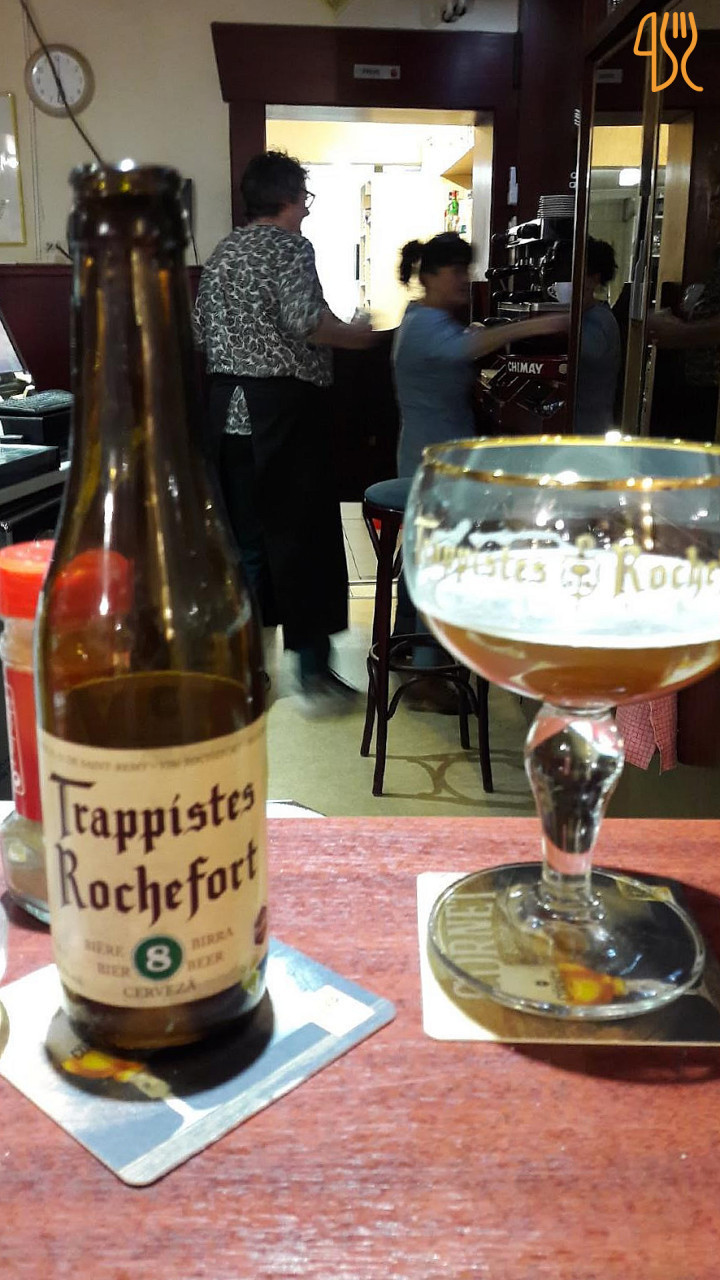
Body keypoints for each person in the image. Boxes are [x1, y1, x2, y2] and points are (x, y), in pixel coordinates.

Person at [193, 151, 375, 716]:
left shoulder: (222, 253)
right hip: (282, 414)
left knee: (246, 545)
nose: (306, 211)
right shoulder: (291, 247)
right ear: (289, 197)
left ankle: (245, 673)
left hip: (226, 416)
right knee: (303, 539)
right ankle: (313, 672)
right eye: (304, 199)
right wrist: (359, 335)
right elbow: (307, 322)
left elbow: (199, 332)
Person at [390, 232, 569, 709]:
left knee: (423, 558)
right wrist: (537, 324)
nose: (464, 280)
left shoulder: (421, 318)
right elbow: (464, 350)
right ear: (430, 276)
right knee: (440, 561)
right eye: (456, 271)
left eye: (466, 271)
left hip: (425, 454)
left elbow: (464, 344)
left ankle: (408, 647)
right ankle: (426, 675)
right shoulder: (427, 326)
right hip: (436, 462)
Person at [575, 237, 622, 434]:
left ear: (594, 279)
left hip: (589, 429)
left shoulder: (600, 320)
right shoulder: (586, 315)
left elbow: (583, 351)